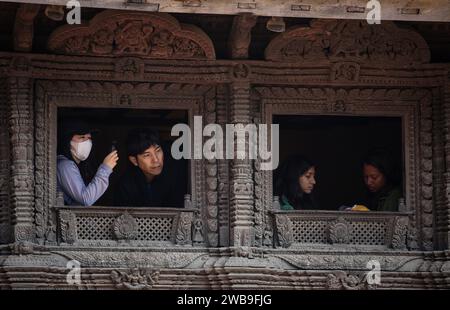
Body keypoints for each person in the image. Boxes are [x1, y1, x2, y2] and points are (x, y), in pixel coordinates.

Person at [115, 128, 187, 208]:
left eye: (158, 150)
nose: (156, 160)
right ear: (134, 160)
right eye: (147, 155)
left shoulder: (175, 174)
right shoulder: (126, 185)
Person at [57, 119, 118, 206]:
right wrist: (105, 168)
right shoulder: (65, 165)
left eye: (89, 138)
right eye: (82, 137)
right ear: (68, 141)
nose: (87, 142)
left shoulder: (77, 165)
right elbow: (86, 199)